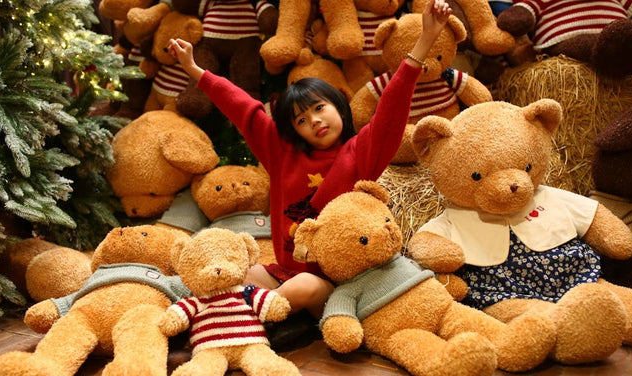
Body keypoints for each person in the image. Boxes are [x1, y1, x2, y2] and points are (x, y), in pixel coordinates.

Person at [168, 0, 452, 322]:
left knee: (304, 286)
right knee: (241, 274)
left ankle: (240, 319)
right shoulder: (282, 154)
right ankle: (253, 314)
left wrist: (425, 40)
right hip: (284, 272)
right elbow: (244, 109)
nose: (314, 121)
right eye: (302, 120)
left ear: (338, 106)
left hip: (336, 285)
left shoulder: (361, 153)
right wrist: (196, 71)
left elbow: (391, 109)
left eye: (319, 108)